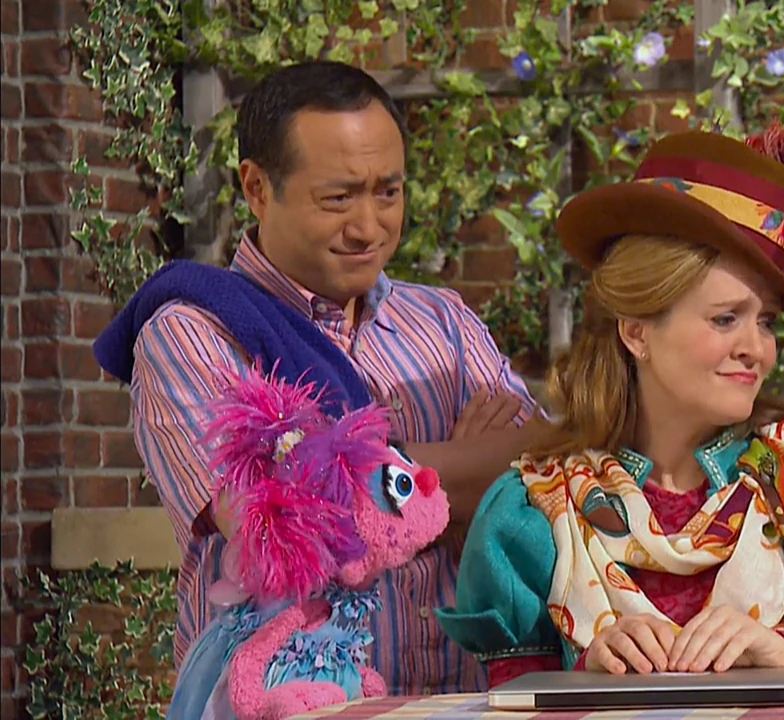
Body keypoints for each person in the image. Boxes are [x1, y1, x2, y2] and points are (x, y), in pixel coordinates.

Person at [92, 60, 543, 696]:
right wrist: (461, 485)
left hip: (461, 701)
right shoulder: (191, 335)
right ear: (256, 187)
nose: (368, 227)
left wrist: (374, 478)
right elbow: (283, 533)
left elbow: (543, 482)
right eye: (338, 198)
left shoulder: (443, 322)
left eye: (388, 193)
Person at [435, 127, 784, 687]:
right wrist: (589, 677)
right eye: (726, 318)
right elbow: (511, 709)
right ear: (636, 331)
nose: (757, 348)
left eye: (766, 321)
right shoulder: (534, 511)